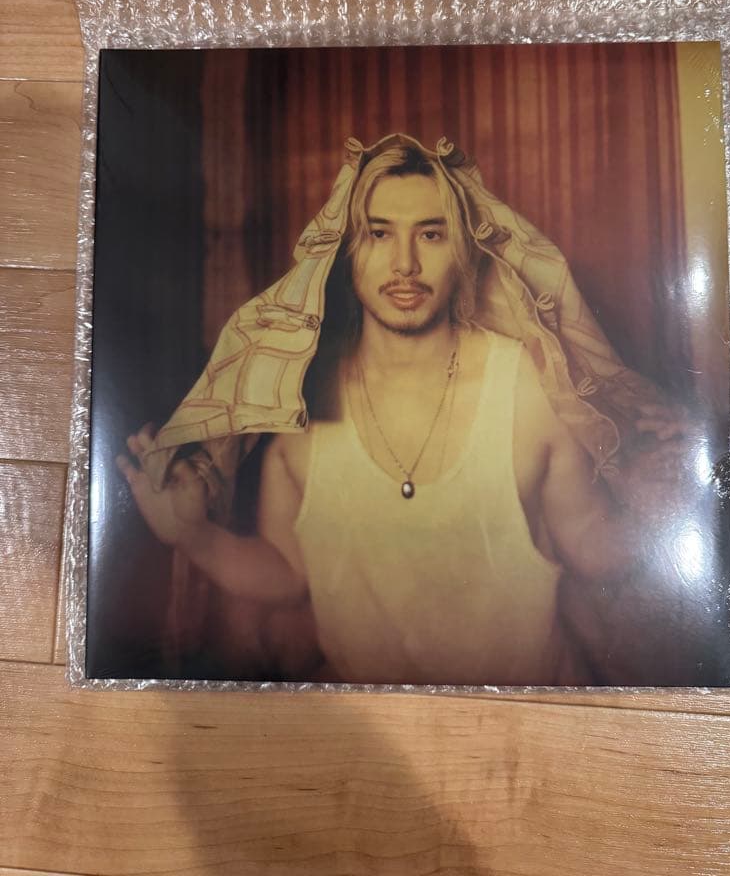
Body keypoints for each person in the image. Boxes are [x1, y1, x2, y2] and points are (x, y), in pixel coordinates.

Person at [117, 134, 687, 686]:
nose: (405, 264)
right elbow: (291, 572)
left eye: (431, 234)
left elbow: (588, 541)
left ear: (463, 248)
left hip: (527, 715)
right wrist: (192, 537)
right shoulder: (300, 405)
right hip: (388, 731)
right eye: (379, 233)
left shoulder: (527, 383)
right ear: (346, 250)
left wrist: (669, 505)